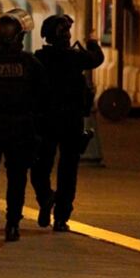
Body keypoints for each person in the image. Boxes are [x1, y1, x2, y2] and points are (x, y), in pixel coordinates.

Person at [0, 10, 47, 243]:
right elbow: (43, 98)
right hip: (20, 128)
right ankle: (13, 224)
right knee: (17, 178)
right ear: (17, 39)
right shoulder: (29, 63)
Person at [31, 14, 104, 232]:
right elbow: (96, 59)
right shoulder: (76, 58)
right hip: (71, 121)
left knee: (40, 166)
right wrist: (92, 42)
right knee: (68, 170)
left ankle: (45, 197)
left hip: (45, 121)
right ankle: (61, 217)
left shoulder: (39, 59)